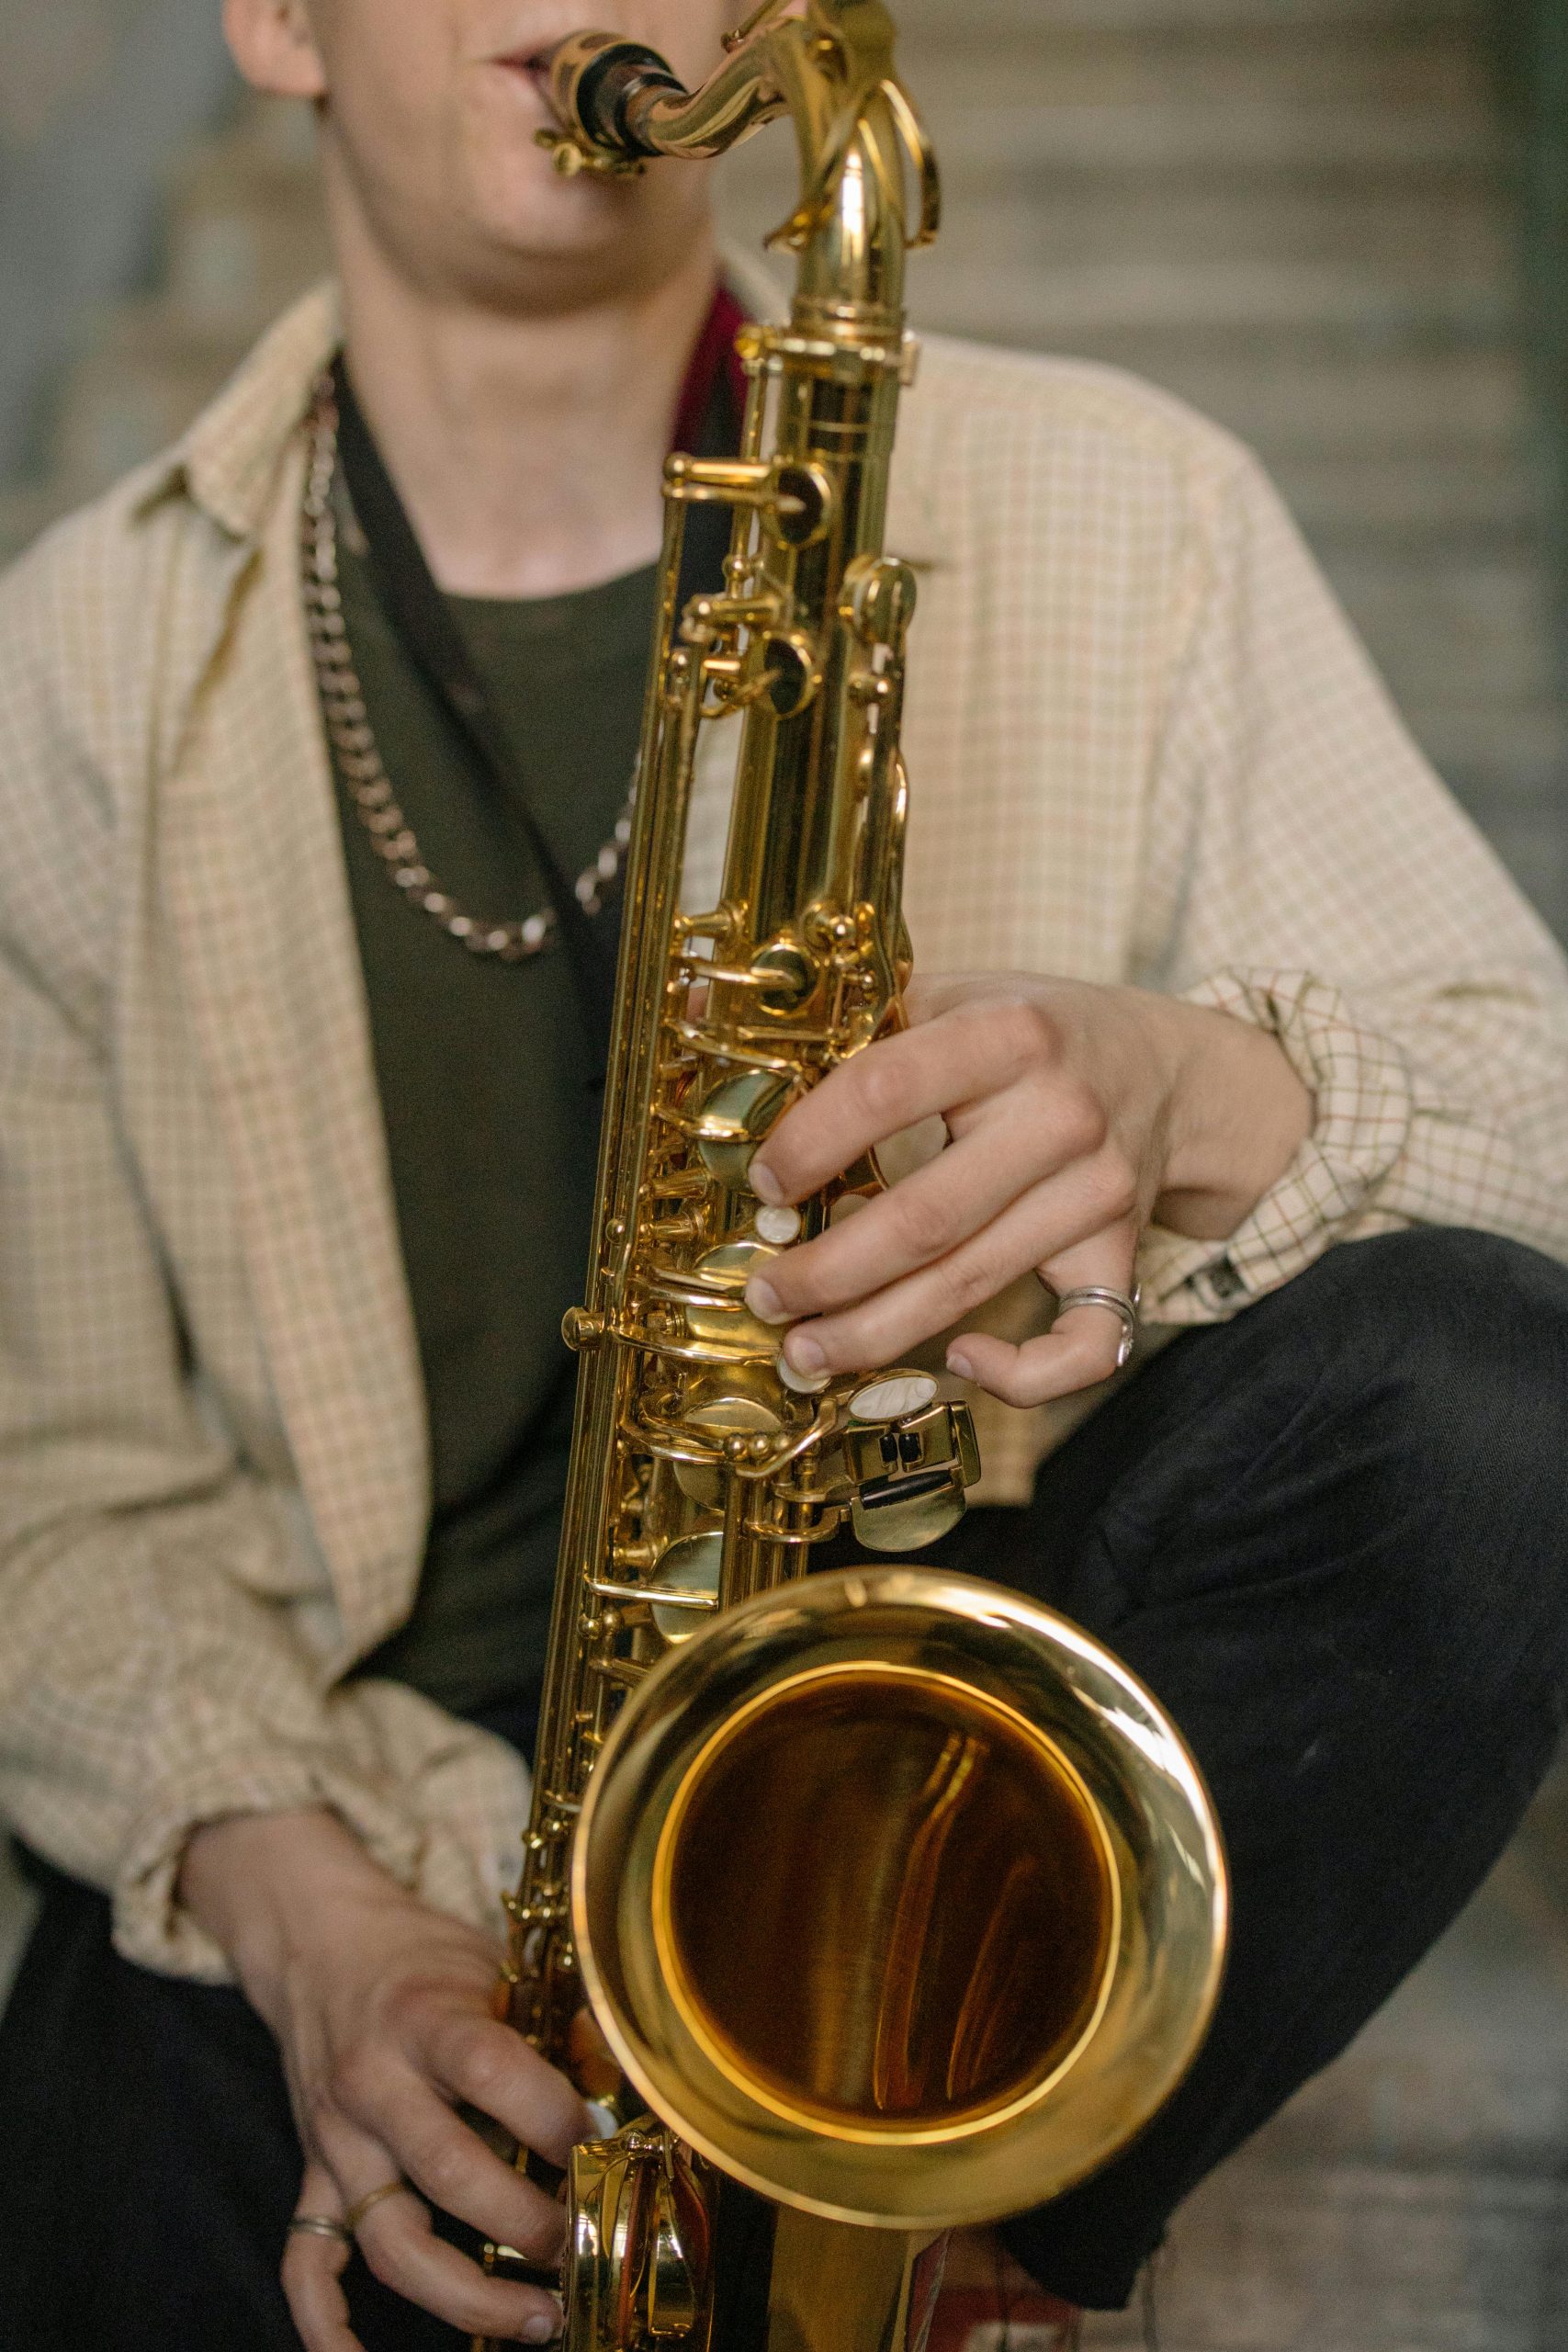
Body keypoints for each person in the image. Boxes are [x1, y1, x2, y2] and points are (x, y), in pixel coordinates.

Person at [1, 2, 1566, 2348]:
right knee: (101, 2135)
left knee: (1488, 1401)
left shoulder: (1132, 505)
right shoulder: (60, 675)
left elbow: (1533, 1123)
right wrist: (313, 1922)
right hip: (382, 1791)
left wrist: (1189, 1089)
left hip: (943, 1789)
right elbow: (48, 1490)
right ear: (278, 19)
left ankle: (947, 2240)